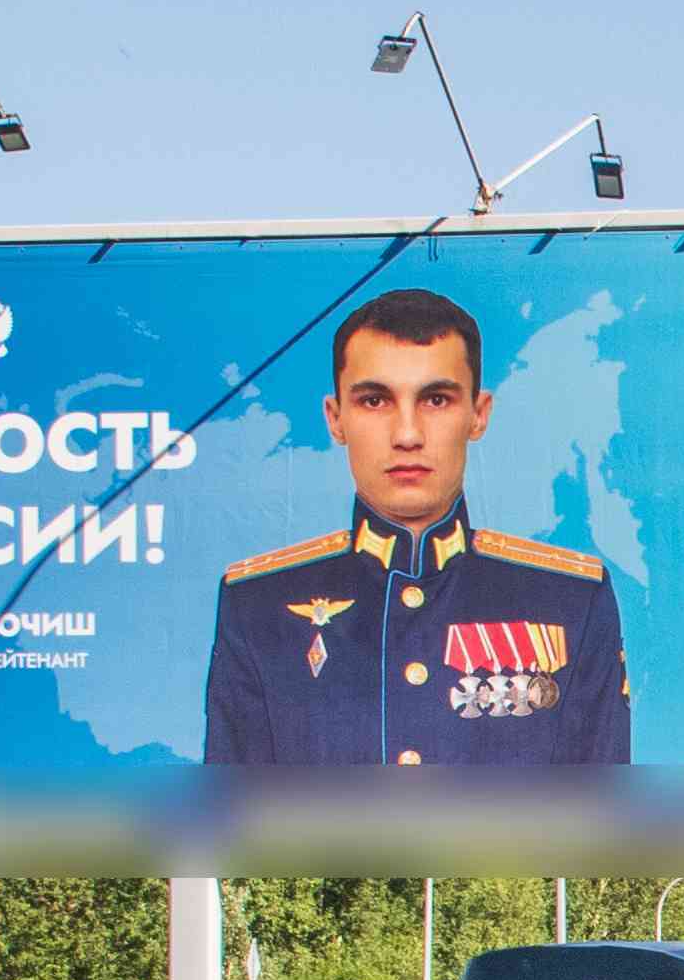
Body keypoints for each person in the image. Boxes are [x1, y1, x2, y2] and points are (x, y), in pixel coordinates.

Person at [201, 287, 633, 768]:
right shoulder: (259, 607)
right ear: (336, 418)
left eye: (436, 399)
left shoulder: (569, 599)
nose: (407, 434)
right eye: (374, 401)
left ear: (478, 414)